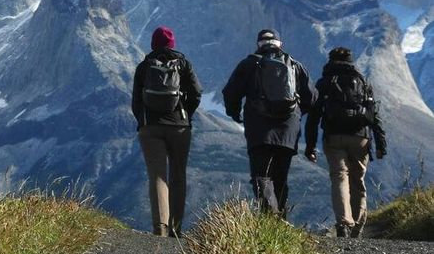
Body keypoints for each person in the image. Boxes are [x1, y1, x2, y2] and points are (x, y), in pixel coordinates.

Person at [222, 29, 317, 218]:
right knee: (281, 176)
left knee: (261, 175)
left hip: (259, 128)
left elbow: (230, 92)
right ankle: (281, 220)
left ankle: (270, 217)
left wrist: (234, 113)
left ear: (259, 44)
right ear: (279, 44)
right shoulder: (295, 65)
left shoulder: (249, 64)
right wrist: (297, 113)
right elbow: (312, 97)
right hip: (288, 130)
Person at [305, 46, 387, 238]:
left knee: (339, 177)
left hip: (334, 138)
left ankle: (343, 222)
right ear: (351, 60)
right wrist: (381, 144)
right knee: (358, 180)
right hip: (361, 137)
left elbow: (313, 117)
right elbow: (374, 116)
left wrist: (310, 146)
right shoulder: (363, 82)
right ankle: (357, 227)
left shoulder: (324, 83)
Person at [132, 25, 203, 237]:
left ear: (153, 44)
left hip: (151, 128)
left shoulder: (144, 66)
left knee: (157, 175)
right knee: (178, 175)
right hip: (179, 127)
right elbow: (197, 93)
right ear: (172, 44)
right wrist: (185, 114)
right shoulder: (183, 64)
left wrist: (143, 121)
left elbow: (136, 100)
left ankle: (160, 228)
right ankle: (176, 228)